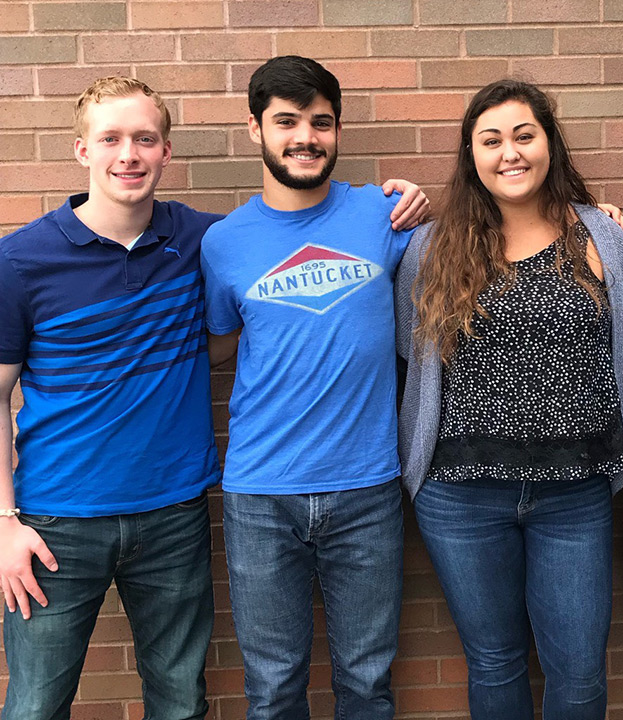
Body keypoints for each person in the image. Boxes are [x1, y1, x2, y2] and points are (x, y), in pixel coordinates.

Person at [395, 78, 623, 720]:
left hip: (575, 493)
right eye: (492, 139)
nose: (511, 152)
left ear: (550, 145)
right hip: (460, 494)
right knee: (495, 663)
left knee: (580, 674)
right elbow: (409, 354)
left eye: (525, 135)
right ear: (471, 155)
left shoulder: (600, 237)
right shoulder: (431, 248)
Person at [199, 56, 428, 720]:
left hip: (367, 487)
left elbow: (470, 235)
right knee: (273, 690)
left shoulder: (382, 212)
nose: (306, 137)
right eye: (287, 121)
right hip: (261, 494)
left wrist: (597, 218)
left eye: (321, 122)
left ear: (337, 130)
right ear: (254, 129)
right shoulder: (223, 242)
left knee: (366, 683)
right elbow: (219, 342)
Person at [0, 76, 220, 720]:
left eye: (145, 139)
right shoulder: (20, 261)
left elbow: (289, 228)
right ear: (82, 150)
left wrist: (388, 202)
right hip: (53, 524)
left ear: (166, 152)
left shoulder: (203, 240)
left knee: (181, 702)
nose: (129, 154)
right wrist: (3, 523)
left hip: (174, 514)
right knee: (36, 705)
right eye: (111, 139)